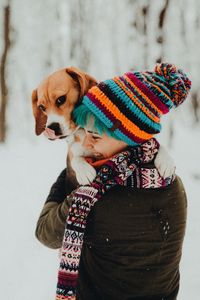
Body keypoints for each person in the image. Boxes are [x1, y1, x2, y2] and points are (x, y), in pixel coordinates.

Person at [35, 63, 190, 299]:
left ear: (128, 135)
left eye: (95, 135)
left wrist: (69, 172)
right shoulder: (173, 184)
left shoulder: (95, 196)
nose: (85, 143)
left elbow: (45, 232)